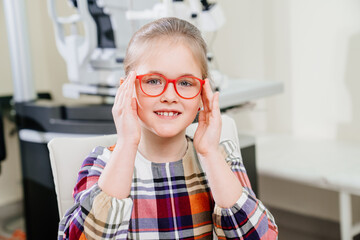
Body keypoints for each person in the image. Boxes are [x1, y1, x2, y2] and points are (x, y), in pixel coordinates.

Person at [58, 17, 278, 240]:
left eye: (185, 83)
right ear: (127, 89)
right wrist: (126, 145)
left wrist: (209, 154)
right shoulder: (102, 163)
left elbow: (262, 237)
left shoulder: (222, 156)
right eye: (153, 81)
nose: (170, 96)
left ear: (203, 94)